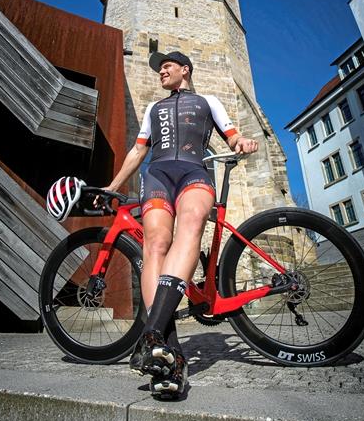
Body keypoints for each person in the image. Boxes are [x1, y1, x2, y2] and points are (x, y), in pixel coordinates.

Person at [99, 51, 259, 399]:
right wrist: (112, 186)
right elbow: (138, 152)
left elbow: (231, 136)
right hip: (156, 176)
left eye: (167, 66)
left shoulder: (208, 101)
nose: (161, 71)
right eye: (158, 68)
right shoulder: (152, 110)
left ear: (184, 70)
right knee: (155, 242)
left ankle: (152, 333)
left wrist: (241, 142)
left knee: (192, 222)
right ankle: (165, 351)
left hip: (193, 172)